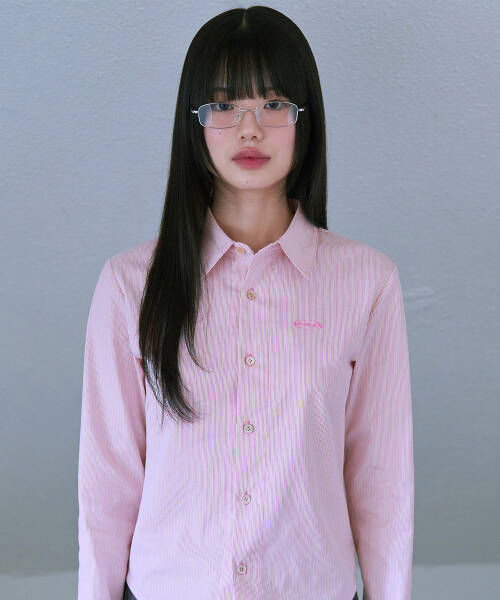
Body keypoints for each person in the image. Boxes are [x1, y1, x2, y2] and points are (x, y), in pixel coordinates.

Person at [77, 6, 414, 600]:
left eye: (274, 103)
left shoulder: (368, 283)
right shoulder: (130, 284)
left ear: (305, 119)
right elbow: (107, 485)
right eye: (224, 105)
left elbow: (382, 483)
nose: (250, 129)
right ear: (195, 123)